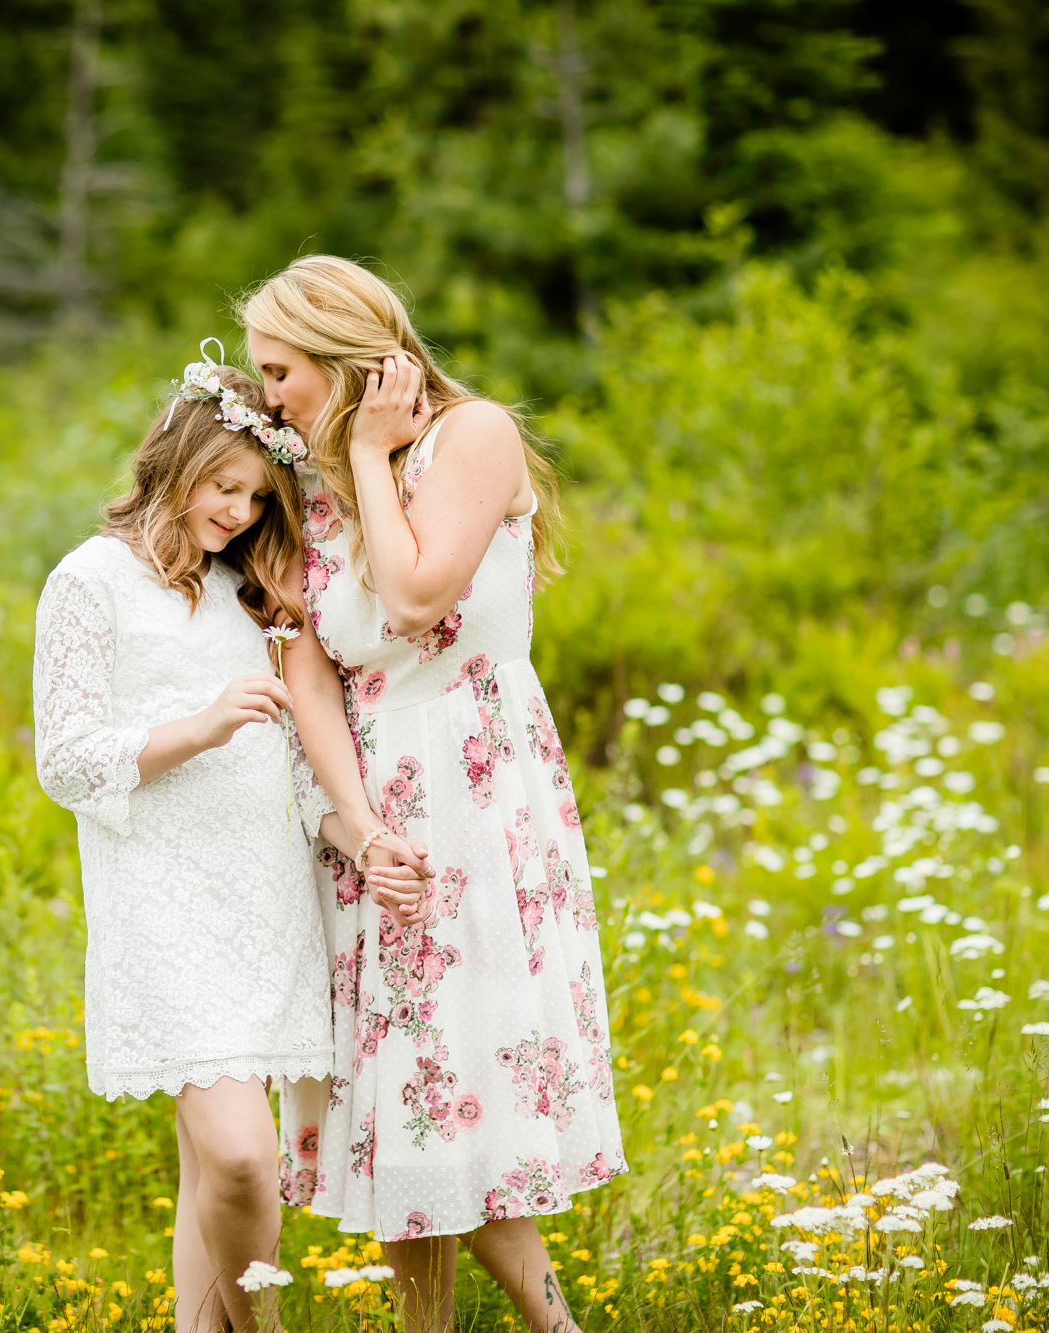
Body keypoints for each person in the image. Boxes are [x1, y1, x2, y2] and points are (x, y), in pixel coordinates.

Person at [246, 257, 627, 1333]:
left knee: (459, 1076)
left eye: (282, 371)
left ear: (340, 354)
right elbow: (306, 669)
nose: (269, 394)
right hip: (368, 802)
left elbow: (414, 597)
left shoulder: (470, 438)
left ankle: (557, 1327)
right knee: (399, 1099)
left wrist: (368, 449)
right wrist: (358, 825)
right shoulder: (304, 481)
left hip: (474, 784)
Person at [31, 345, 424, 1333]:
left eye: (255, 496)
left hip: (264, 898)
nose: (238, 511)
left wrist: (358, 838)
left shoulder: (250, 595)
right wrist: (201, 725)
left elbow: (299, 778)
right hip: (162, 903)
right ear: (172, 457)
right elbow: (66, 759)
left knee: (216, 1167)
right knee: (243, 1155)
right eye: (223, 483)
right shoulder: (88, 581)